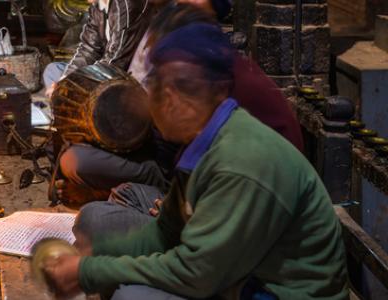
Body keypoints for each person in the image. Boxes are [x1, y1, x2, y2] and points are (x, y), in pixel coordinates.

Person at [43, 22, 348, 300]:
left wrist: (91, 271)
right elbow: (163, 234)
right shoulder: (201, 144)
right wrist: (94, 257)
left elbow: (196, 275)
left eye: (157, 93)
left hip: (273, 292)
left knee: (133, 297)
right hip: (234, 272)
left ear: (177, 100)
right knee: (97, 225)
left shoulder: (240, 162)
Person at [52, 1, 304, 212]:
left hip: (212, 197)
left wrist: (176, 210)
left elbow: (195, 253)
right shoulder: (192, 67)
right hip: (179, 175)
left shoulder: (214, 90)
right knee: (81, 168)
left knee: (98, 219)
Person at [43, 0, 160, 97]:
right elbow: (88, 48)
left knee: (75, 88)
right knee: (53, 70)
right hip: (106, 70)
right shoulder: (97, 6)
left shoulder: (126, 4)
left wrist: (77, 83)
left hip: (128, 78)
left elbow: (117, 60)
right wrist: (65, 80)